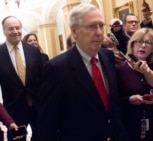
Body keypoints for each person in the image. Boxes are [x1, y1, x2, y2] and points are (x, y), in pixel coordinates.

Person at [37, 4, 127, 141]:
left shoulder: (107, 57)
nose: (99, 32)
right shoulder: (57, 68)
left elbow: (112, 106)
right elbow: (47, 123)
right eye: (92, 27)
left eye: (101, 26)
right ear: (74, 32)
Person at [116, 28, 153, 141]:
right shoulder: (121, 69)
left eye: (148, 43)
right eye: (139, 41)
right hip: (128, 125)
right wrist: (129, 99)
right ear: (132, 45)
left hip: (151, 123)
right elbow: (113, 101)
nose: (143, 46)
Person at [0, 16, 43, 141]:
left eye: (17, 28)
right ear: (4, 31)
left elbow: (42, 79)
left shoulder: (33, 51)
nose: (15, 31)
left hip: (37, 106)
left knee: (42, 136)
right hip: (14, 109)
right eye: (10, 29)